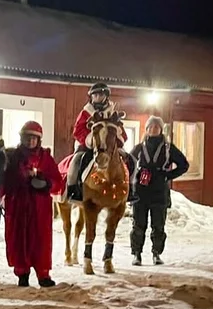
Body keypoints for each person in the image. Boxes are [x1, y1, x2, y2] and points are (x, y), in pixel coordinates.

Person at [1, 120, 62, 287]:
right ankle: (22, 273)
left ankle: (43, 274)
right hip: (19, 205)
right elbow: (4, 181)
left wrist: (46, 183)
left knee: (40, 241)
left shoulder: (46, 158)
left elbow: (57, 180)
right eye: (28, 138)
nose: (31, 141)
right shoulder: (12, 157)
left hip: (39, 209)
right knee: (19, 240)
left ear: (39, 140)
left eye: (34, 138)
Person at [130, 115, 189, 266]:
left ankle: (156, 254)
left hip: (159, 192)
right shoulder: (139, 147)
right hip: (140, 192)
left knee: (158, 225)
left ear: (161, 130)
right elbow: (127, 164)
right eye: (150, 127)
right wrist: (132, 179)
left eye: (156, 127)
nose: (153, 130)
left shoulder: (169, 148)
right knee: (138, 224)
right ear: (146, 129)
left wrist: (168, 175)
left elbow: (184, 165)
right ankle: (137, 254)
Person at [66, 82, 134, 201]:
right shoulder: (85, 113)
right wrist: (90, 139)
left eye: (100, 95)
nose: (97, 98)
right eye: (94, 95)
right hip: (89, 145)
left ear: (106, 96)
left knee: (131, 160)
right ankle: (73, 189)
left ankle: (131, 188)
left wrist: (117, 135)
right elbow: (77, 131)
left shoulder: (113, 113)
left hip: (111, 146)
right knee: (77, 161)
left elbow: (122, 132)